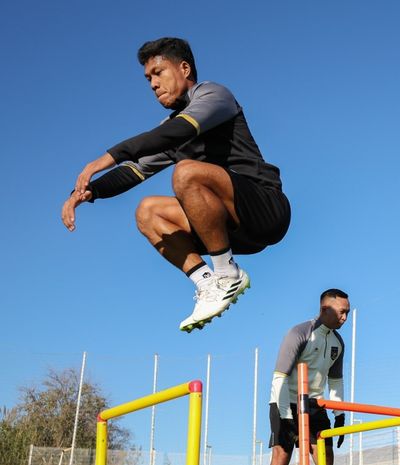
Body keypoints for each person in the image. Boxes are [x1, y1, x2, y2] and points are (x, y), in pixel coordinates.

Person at [61, 37, 291, 332]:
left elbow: (175, 132)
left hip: (266, 210)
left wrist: (105, 157)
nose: (153, 84)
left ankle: (226, 274)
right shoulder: (170, 131)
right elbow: (133, 172)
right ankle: (208, 285)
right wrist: (84, 193)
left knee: (185, 173)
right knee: (148, 211)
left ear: (184, 68)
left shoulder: (213, 95)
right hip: (232, 231)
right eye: (148, 79)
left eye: (158, 72)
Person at [269, 289, 350, 465]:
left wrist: (339, 415)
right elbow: (279, 377)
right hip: (286, 401)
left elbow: (335, 381)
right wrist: (286, 417)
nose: (345, 318)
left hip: (315, 405)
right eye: (342, 312)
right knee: (282, 454)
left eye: (347, 313)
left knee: (325, 455)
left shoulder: (339, 343)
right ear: (324, 309)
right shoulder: (299, 333)